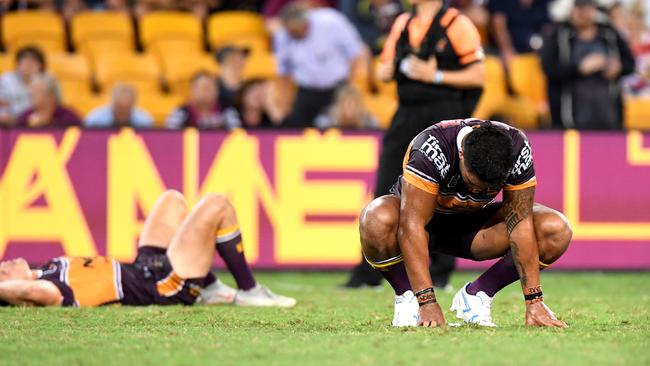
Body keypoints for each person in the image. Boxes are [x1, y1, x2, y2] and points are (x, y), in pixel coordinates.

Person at [359, 119, 572, 328]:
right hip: (416, 224)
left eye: (489, 187)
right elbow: (412, 224)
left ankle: (478, 294)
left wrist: (534, 301)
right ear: (461, 154)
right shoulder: (433, 146)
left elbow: (520, 223)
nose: (477, 191)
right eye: (472, 183)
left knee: (555, 229)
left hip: (474, 229)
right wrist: (426, 301)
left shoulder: (517, 148)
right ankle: (407, 296)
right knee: (376, 218)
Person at [343, 0, 485, 289]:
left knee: (445, 194)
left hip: (443, 114)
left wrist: (434, 75)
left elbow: (478, 76)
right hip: (406, 114)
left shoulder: (457, 24)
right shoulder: (404, 23)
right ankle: (371, 271)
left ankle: (439, 272)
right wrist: (387, 70)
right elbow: (384, 67)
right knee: (384, 190)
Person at [0, 190, 296, 308]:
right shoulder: (49, 290)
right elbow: (27, 293)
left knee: (172, 200)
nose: (5, 263)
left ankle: (209, 286)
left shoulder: (48, 269)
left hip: (145, 265)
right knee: (218, 204)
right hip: (162, 285)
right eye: (2, 272)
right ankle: (250, 291)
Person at [541, 0, 635, 129]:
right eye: (577, 8)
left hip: (608, 115)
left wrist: (618, 67)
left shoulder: (609, 34)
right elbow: (549, 68)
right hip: (570, 116)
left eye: (584, 9)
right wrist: (580, 68)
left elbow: (630, 63)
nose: (579, 14)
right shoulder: (559, 34)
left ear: (594, 10)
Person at [274, 3, 366, 128]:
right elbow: (284, 72)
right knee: (294, 126)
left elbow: (355, 53)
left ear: (306, 22)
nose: (293, 34)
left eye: (296, 30)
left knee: (341, 123)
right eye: (290, 31)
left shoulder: (331, 21)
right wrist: (284, 105)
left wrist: (351, 85)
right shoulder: (283, 36)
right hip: (306, 90)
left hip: (337, 87)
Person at [489, 0, 552, 69]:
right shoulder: (503, 2)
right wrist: (506, 49)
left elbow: (546, 26)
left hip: (535, 55)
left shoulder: (540, 3)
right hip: (511, 55)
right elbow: (498, 24)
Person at [166, 72, 239, 129]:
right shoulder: (180, 113)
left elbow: (236, 136)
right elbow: (170, 138)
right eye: (204, 88)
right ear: (192, 90)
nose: (207, 92)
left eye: (211, 88)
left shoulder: (227, 112)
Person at [0, 46, 46, 126]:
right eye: (25, 60)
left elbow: (48, 111)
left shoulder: (46, 82)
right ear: (17, 64)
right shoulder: (6, 80)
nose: (29, 64)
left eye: (33, 61)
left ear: (41, 66)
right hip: (7, 125)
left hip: (34, 126)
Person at [15, 74, 82, 128]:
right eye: (31, 91)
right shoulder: (24, 118)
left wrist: (48, 123)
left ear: (50, 96)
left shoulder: (69, 118)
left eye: (36, 91)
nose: (31, 94)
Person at [85, 84, 154, 128]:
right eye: (119, 108)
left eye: (126, 109)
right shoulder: (96, 119)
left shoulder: (144, 120)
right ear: (112, 104)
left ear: (133, 105)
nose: (122, 113)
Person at [314, 84, 379, 130]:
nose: (349, 106)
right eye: (345, 102)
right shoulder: (326, 120)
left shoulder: (369, 121)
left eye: (353, 102)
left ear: (359, 105)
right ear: (338, 104)